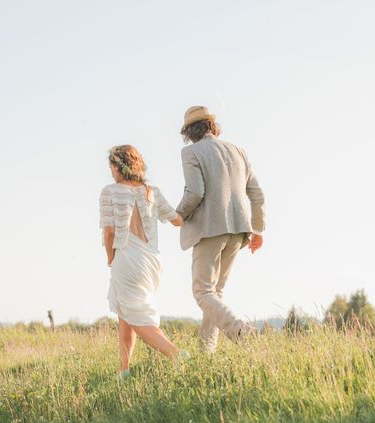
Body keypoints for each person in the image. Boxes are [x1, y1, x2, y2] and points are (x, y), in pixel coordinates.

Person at [176, 106, 266, 353]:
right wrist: (258, 229)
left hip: (209, 228)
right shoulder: (239, 152)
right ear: (212, 126)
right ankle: (206, 354)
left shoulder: (190, 152)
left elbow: (195, 192)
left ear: (190, 132)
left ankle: (240, 331)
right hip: (239, 230)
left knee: (202, 292)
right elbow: (257, 195)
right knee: (215, 293)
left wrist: (177, 215)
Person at [99, 145, 186, 377]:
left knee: (136, 317)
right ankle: (123, 370)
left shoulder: (110, 191)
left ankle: (178, 356)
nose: (111, 173)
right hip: (151, 262)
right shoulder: (152, 192)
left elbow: (109, 232)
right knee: (126, 313)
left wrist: (110, 259)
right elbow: (178, 220)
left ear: (118, 167)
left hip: (126, 259)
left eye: (111, 168)